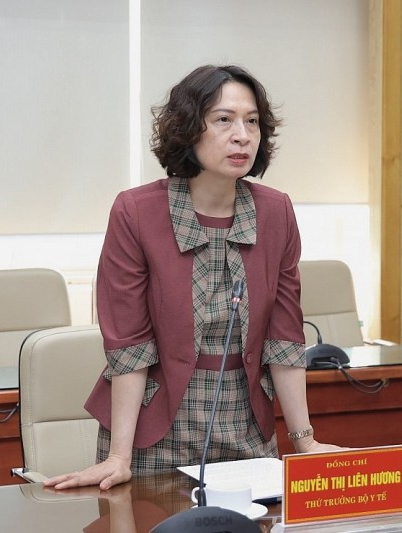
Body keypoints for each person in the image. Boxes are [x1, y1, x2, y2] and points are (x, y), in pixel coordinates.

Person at [45, 65, 339, 491]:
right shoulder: (136, 212)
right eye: (224, 119)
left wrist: (304, 441)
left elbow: (284, 338)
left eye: (252, 121)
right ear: (187, 128)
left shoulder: (276, 212)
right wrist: (119, 456)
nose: (242, 136)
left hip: (246, 424)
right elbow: (129, 345)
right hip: (153, 428)